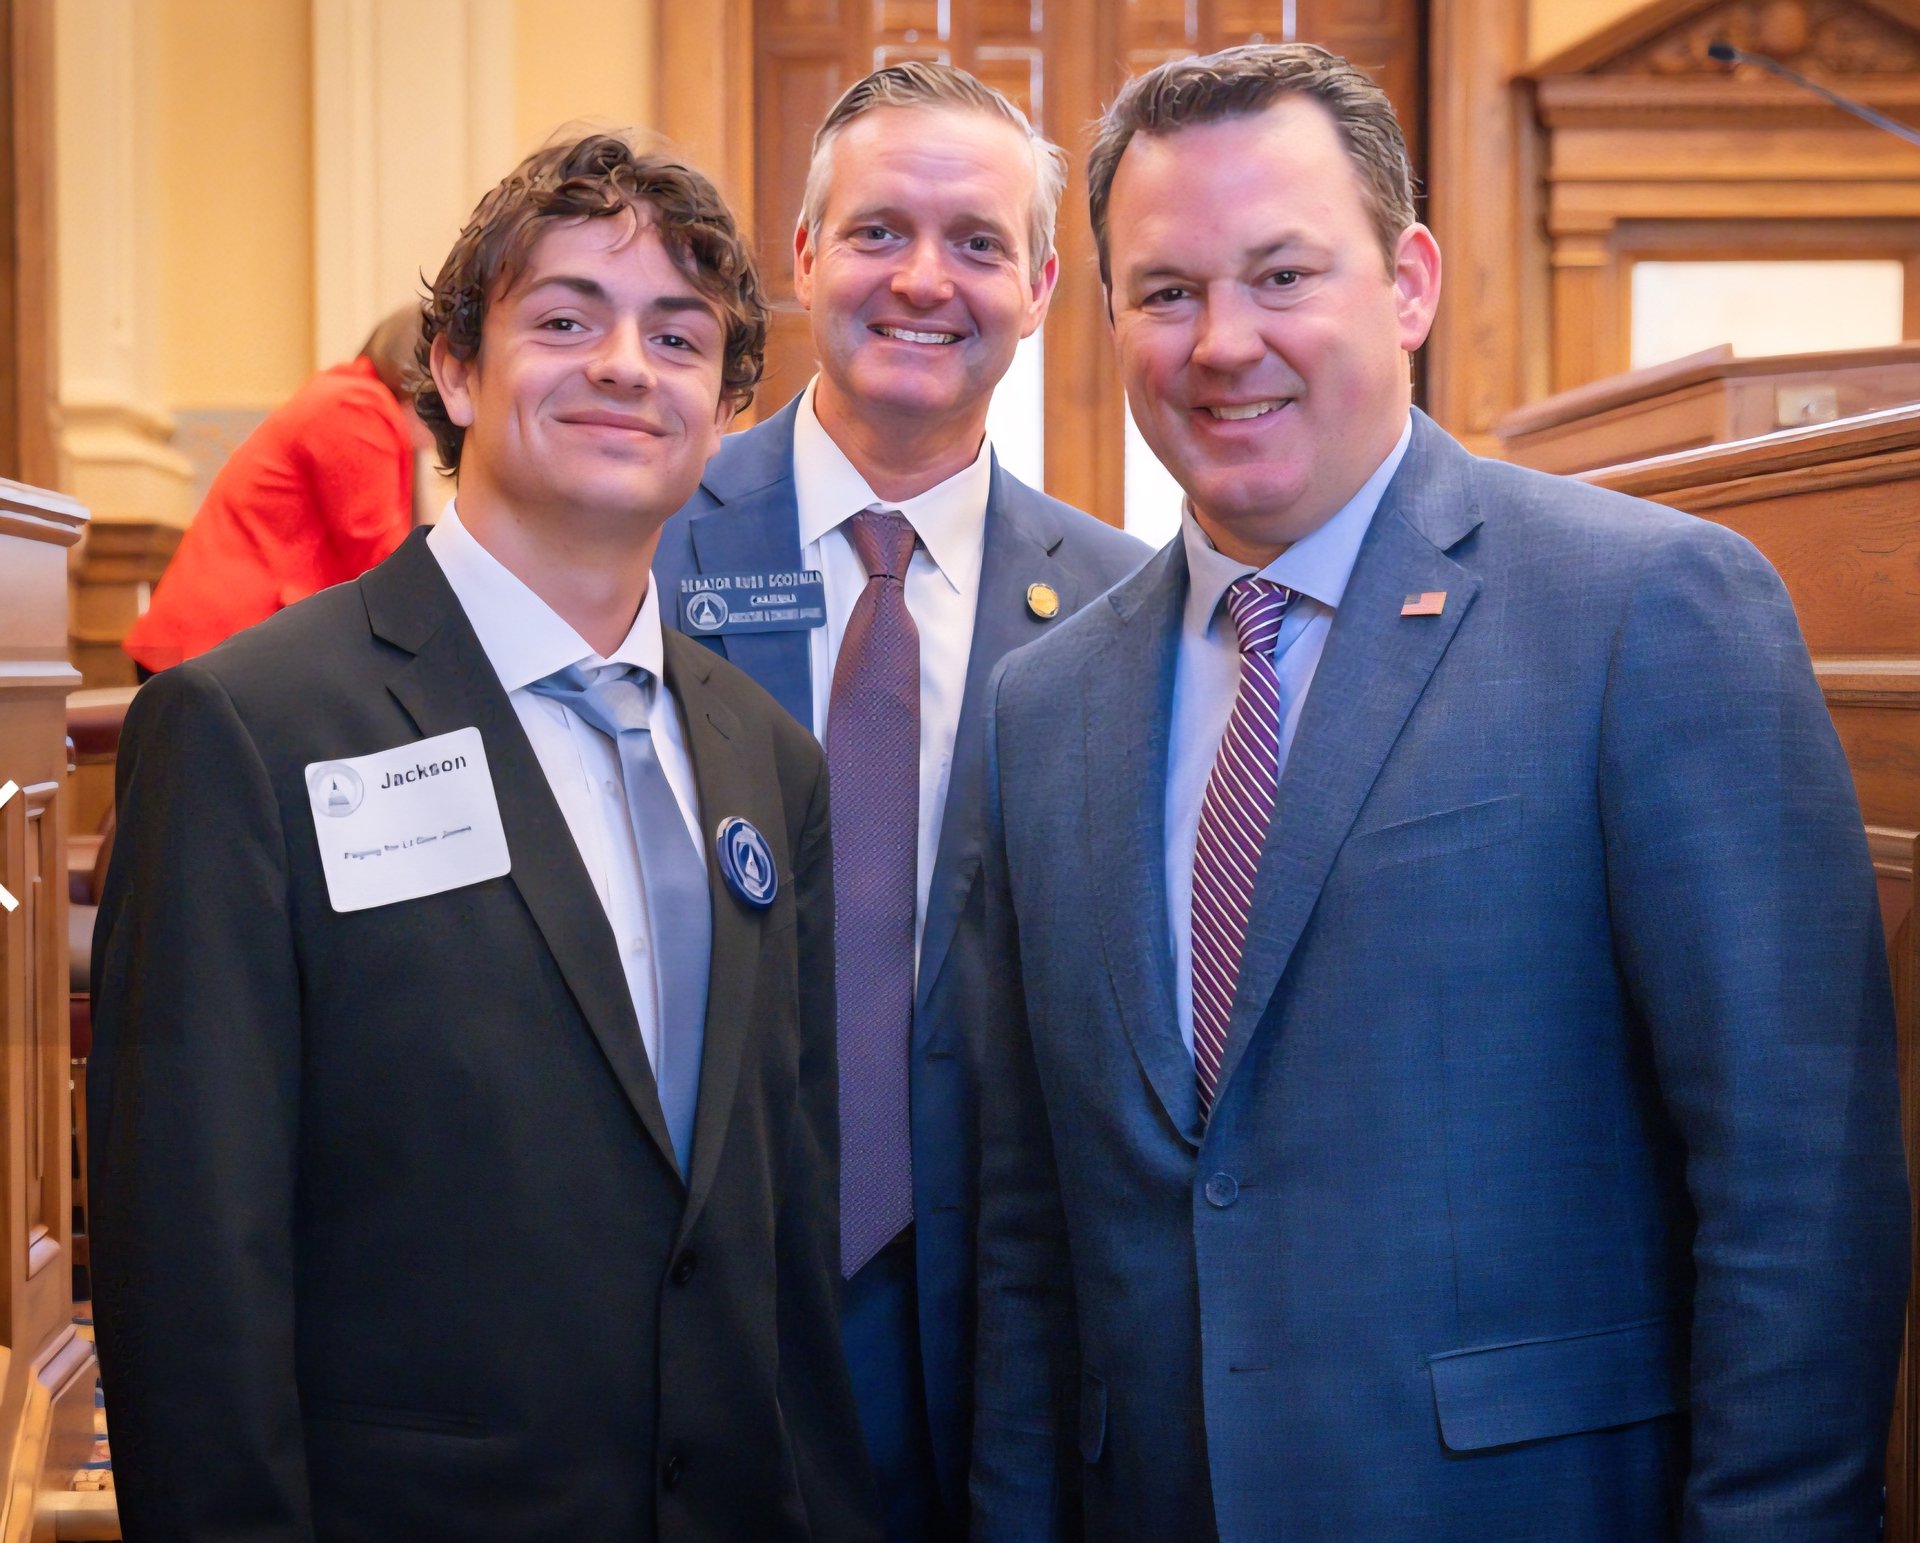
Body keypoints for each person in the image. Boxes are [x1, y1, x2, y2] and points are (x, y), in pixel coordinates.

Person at [969, 42, 1909, 1543]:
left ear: (1407, 283)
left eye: (1284, 275)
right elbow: (1033, 1229)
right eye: (1168, 291)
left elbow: (1798, 1182)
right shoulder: (1044, 704)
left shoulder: (1645, 609)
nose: (1224, 342)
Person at [89, 134, 879, 1541]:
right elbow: (191, 1261)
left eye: (678, 337)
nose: (626, 365)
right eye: (566, 319)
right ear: (455, 367)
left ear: (724, 408)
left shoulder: (772, 763)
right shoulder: (249, 732)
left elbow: (782, 1225)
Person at [654, 62, 1146, 1540]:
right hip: (689, 1309)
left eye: (979, 243)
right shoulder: (644, 547)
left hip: (1001, 1331)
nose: (924, 279)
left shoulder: (1126, 605)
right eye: (878, 232)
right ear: (805, 256)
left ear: (1042, 287)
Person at [122, 305, 435, 676]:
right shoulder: (357, 408)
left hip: (216, 645)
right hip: (216, 647)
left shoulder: (350, 397)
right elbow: (384, 565)